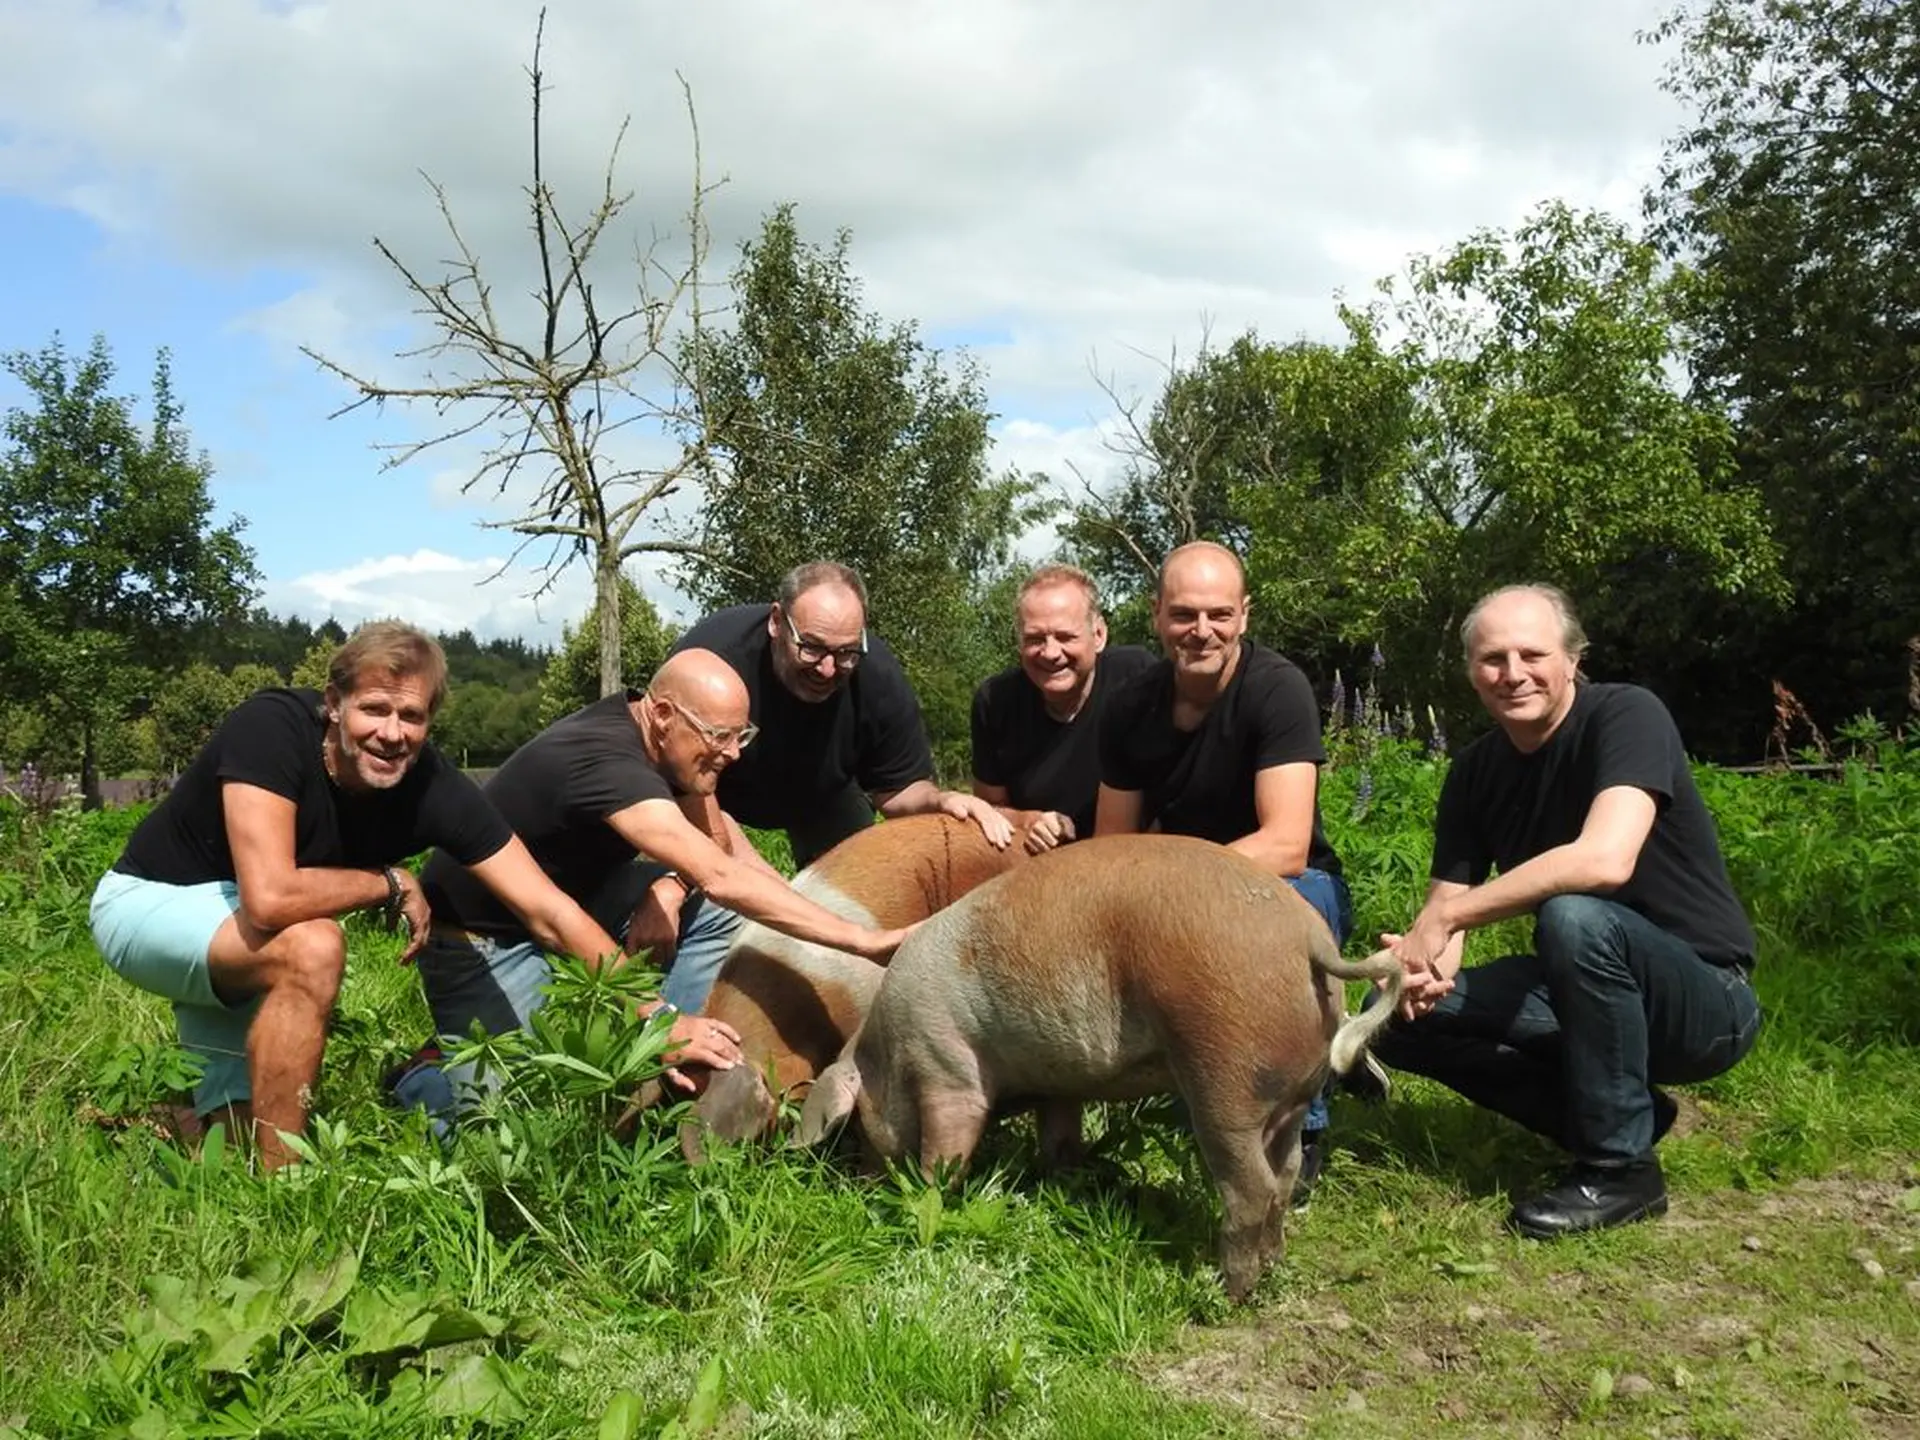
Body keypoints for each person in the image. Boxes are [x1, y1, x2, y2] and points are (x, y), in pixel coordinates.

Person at [86, 621, 705, 1170]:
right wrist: (387, 881)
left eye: (411, 717)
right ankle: (284, 1195)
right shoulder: (271, 728)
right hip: (152, 904)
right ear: (333, 704)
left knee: (227, 1145)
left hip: (242, 939)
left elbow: (547, 908)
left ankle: (176, 1126)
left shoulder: (434, 787)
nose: (391, 733)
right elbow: (270, 898)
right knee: (313, 945)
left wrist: (655, 1016)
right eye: (373, 709)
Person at [1369, 584, 1762, 1238]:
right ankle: (1625, 1115)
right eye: (1493, 658)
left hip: (1705, 1000)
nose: (1513, 673)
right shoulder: (1474, 773)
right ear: (1471, 671)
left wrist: (1454, 920)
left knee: (1573, 915)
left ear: (1573, 659)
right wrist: (1422, 968)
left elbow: (1604, 859)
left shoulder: (1627, 716)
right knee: (1396, 1022)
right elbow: (1447, 902)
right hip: (1579, 990)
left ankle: (1621, 1171)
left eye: (1533, 653)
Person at [404, 647, 917, 1121]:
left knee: (719, 915)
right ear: (665, 715)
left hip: (577, 899)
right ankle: (422, 1076)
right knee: (519, 1116)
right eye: (719, 736)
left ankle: (680, 1063)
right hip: (482, 935)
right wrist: (860, 940)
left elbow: (714, 849)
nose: (734, 753)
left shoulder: (669, 746)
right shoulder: (608, 764)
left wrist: (673, 886)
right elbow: (717, 875)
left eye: (742, 735)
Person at [1093, 542, 1355, 1204]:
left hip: (1282, 884)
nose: (1201, 631)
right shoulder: (1128, 706)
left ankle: (1306, 1125)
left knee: (1304, 905)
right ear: (1156, 617)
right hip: (1179, 896)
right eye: (1183, 614)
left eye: (1218, 614)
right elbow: (1110, 847)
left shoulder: (1278, 688)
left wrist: (1174, 884)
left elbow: (1288, 843)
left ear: (1243, 615)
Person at [672, 561, 1011, 869]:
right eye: (812, 647)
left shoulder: (876, 672)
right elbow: (673, 770)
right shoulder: (712, 655)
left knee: (861, 887)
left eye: (846, 651)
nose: (828, 668)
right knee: (730, 897)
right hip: (707, 792)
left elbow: (898, 790)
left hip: (824, 793)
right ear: (777, 622)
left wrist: (942, 800)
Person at [971, 564, 1154, 853]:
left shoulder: (1138, 677)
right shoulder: (995, 701)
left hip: (1136, 857)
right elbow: (989, 809)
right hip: (1042, 866)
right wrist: (1028, 820)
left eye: (1065, 637)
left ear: (1099, 635)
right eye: (1035, 639)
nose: (1051, 653)